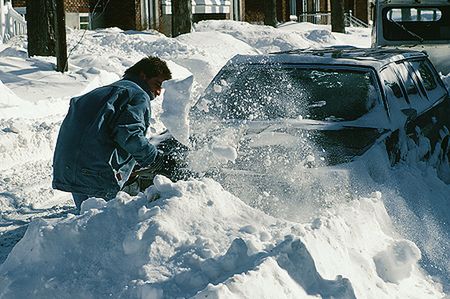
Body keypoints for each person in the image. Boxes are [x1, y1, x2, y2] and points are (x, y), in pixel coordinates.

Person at [52, 56, 172, 212]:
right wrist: (154, 158)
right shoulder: (137, 95)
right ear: (143, 75)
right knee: (105, 227)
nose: (158, 92)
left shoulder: (102, 92)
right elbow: (130, 135)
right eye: (157, 84)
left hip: (70, 168)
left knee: (87, 222)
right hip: (95, 173)